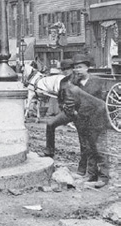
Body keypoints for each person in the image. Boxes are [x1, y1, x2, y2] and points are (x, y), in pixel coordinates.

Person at [65, 54, 109, 187]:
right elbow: (71, 101)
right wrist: (72, 111)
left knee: (100, 149)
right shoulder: (74, 84)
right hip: (82, 120)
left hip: (98, 120)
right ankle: (91, 175)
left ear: (87, 68)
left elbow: (103, 102)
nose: (77, 70)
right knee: (88, 148)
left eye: (80, 67)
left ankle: (103, 178)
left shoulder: (98, 81)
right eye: (75, 68)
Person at [39, 59, 75, 159]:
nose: (65, 71)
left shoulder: (78, 80)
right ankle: (49, 151)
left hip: (80, 112)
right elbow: (60, 97)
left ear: (72, 68)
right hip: (68, 112)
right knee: (50, 124)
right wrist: (62, 106)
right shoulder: (63, 81)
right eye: (63, 69)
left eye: (67, 69)